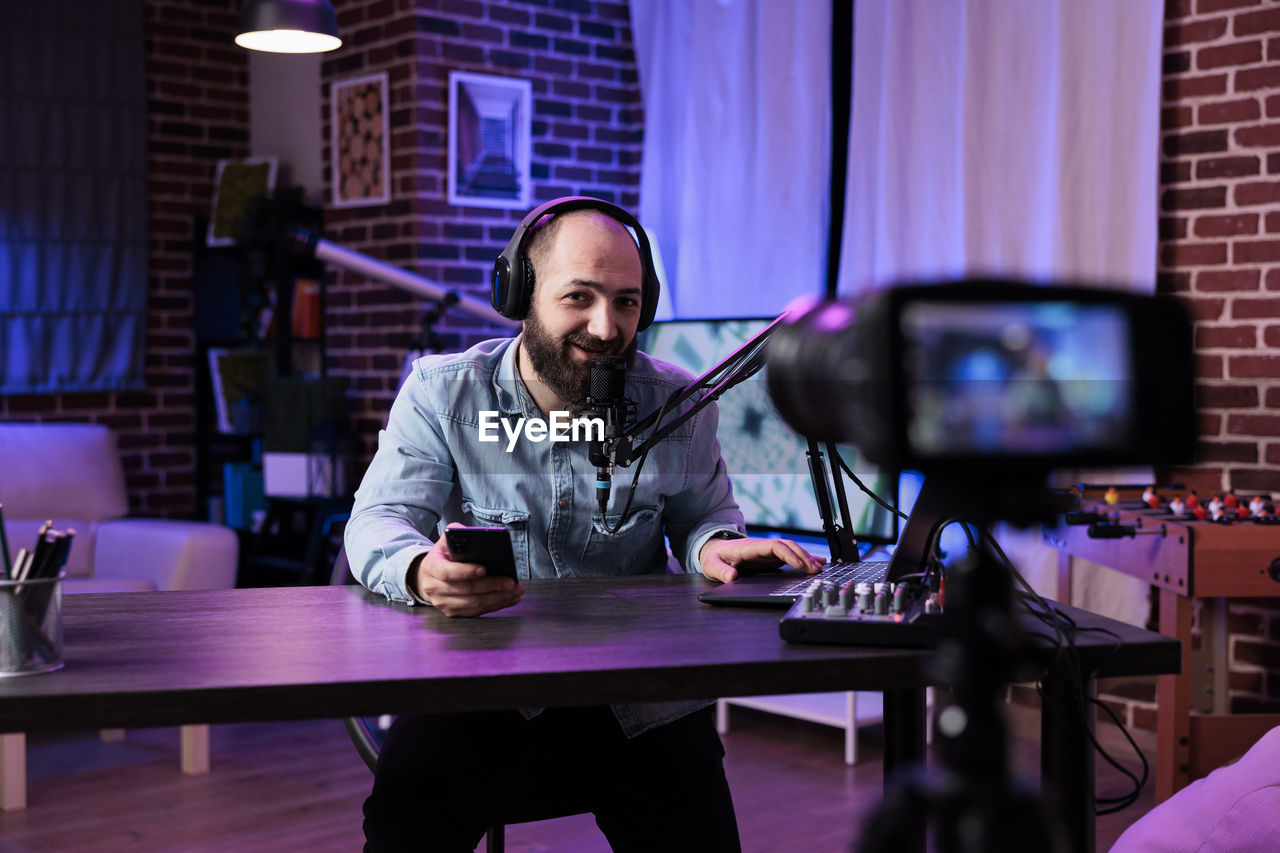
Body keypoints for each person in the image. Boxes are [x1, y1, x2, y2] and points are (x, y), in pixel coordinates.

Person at [344, 197, 823, 852]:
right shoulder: (443, 393)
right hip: (484, 685)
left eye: (627, 302)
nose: (607, 327)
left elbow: (705, 514)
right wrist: (420, 571)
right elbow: (378, 520)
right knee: (403, 831)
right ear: (520, 292)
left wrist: (717, 547)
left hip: (636, 691)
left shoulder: (676, 403)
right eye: (580, 297)